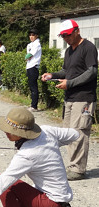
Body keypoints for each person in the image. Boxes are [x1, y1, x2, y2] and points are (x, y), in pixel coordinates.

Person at [41, 19, 98, 181]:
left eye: (67, 35)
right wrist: (53, 75)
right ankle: (73, 165)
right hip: (70, 97)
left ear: (77, 31)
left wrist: (70, 83)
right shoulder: (69, 51)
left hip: (84, 98)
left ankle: (78, 169)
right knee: (69, 133)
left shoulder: (88, 48)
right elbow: (66, 70)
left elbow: (92, 72)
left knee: (79, 132)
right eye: (63, 36)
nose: (65, 38)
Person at [26, 29, 42, 112]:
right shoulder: (30, 44)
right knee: (31, 87)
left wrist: (27, 57)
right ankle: (32, 104)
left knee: (34, 87)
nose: (31, 36)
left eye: (33, 35)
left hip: (34, 66)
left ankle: (34, 106)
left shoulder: (37, 44)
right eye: (30, 35)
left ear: (37, 35)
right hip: (29, 66)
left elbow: (29, 55)